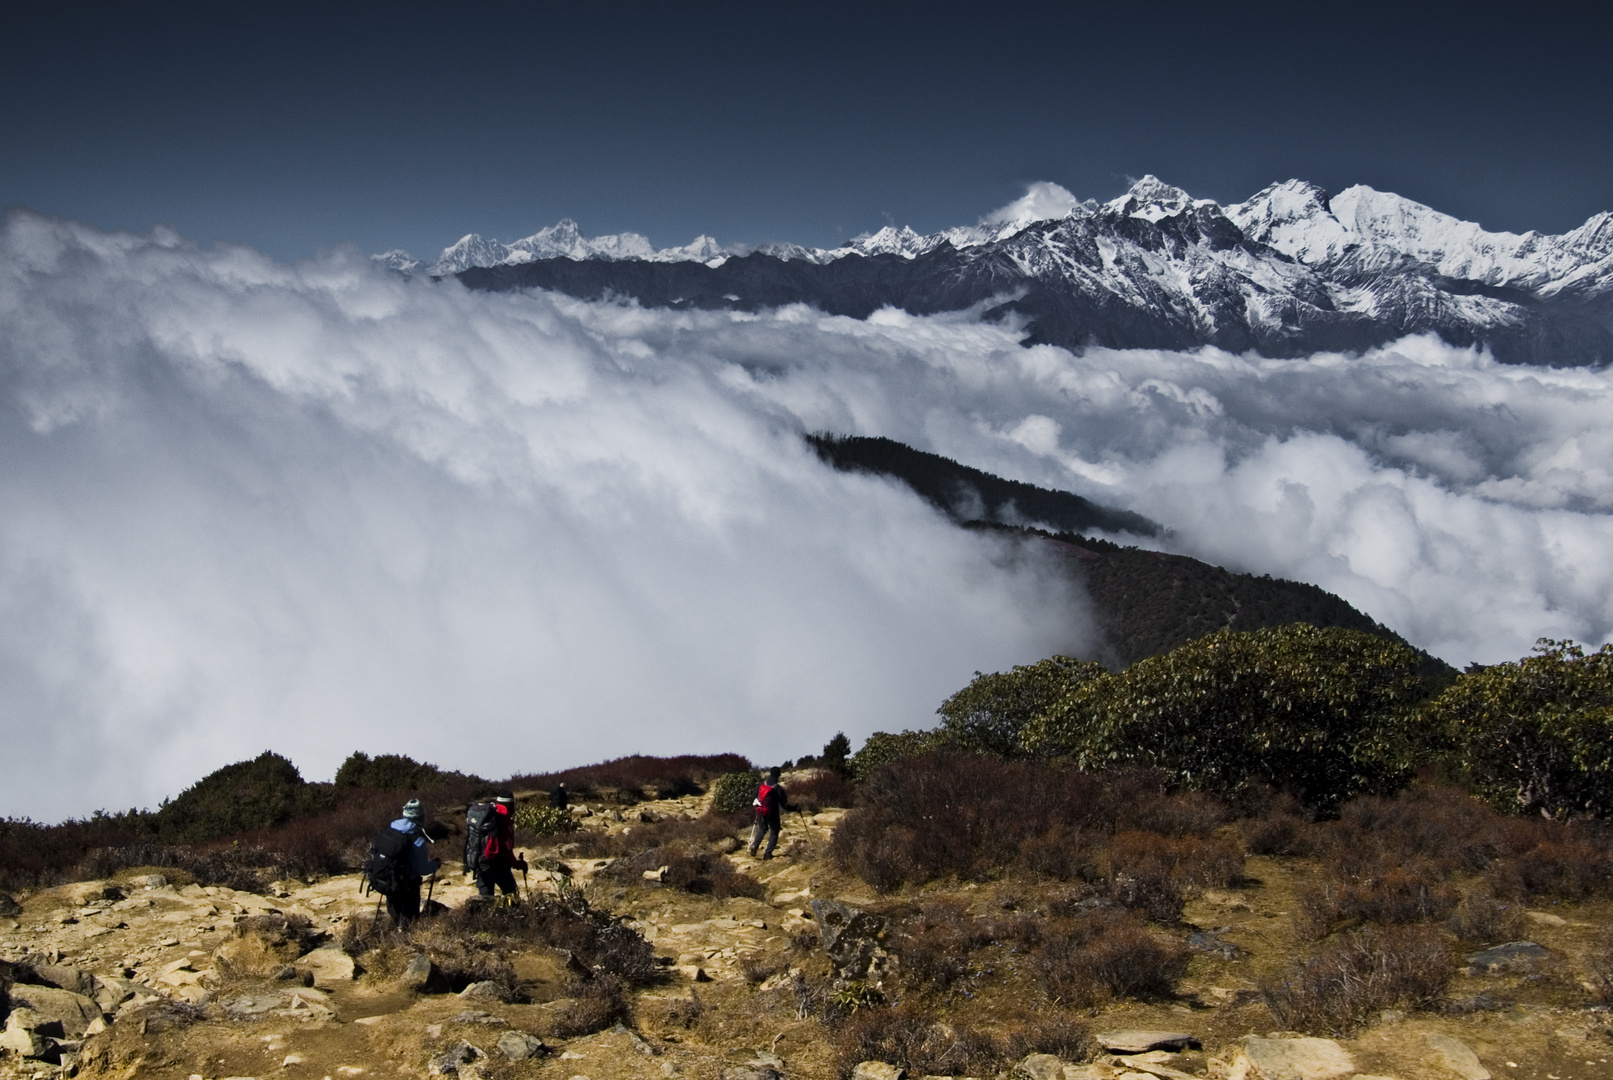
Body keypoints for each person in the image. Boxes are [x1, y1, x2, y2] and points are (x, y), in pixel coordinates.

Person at [382, 798, 439, 927]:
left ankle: (394, 938)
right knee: (410, 921)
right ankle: (405, 942)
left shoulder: (391, 831)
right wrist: (435, 864)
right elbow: (422, 869)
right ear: (421, 817)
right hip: (407, 887)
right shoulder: (417, 839)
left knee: (396, 918)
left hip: (389, 883)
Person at [472, 791, 527, 899]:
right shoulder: (503, 820)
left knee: (485, 900)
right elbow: (506, 850)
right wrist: (518, 864)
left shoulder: (487, 816)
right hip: (499, 865)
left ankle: (482, 916)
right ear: (510, 805)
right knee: (512, 895)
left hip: (481, 863)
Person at [748, 766, 791, 860]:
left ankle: (755, 846)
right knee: (774, 831)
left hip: (761, 811)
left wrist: (759, 805)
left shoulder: (761, 785)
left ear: (770, 773)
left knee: (762, 829)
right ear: (779, 775)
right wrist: (796, 808)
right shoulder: (778, 788)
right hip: (773, 813)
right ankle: (768, 854)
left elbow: (753, 796)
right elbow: (785, 805)